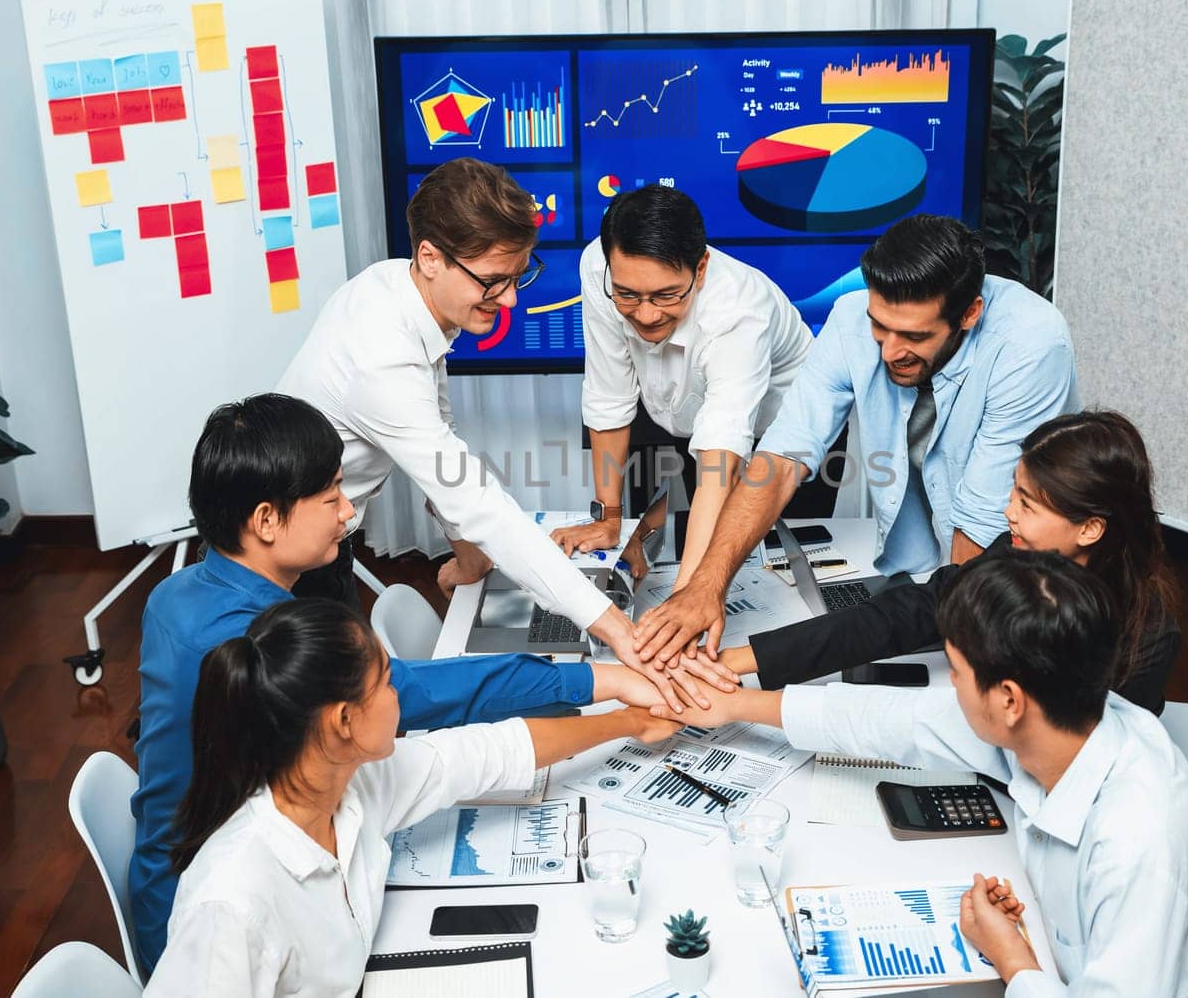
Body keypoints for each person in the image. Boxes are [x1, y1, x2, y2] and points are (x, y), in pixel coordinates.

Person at [130, 394, 670, 972]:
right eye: (331, 496)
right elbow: (421, 696)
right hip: (213, 940)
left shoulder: (176, 593)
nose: (349, 513)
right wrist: (596, 679)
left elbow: (468, 752)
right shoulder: (265, 648)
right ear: (266, 519)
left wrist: (619, 706)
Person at [650, 551, 1188, 996]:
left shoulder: (1143, 846)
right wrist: (729, 705)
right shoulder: (1072, 715)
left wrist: (1013, 958)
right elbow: (897, 719)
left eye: (957, 673)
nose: (949, 686)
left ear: (1010, 700)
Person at [276, 159, 710, 704]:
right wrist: (618, 630)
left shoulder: (398, 286)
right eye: (492, 281)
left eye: (518, 276)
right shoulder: (381, 353)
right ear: (430, 257)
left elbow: (441, 443)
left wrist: (471, 557)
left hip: (320, 543)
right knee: (323, 725)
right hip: (282, 567)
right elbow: (476, 501)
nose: (509, 300)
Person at [145, 599, 682, 995]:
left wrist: (627, 721)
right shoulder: (230, 901)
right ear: (344, 720)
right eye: (386, 682)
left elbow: (486, 752)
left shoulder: (349, 784)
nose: (399, 694)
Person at [636, 214, 1077, 662]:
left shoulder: (1031, 346)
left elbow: (978, 533)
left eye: (913, 336)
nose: (888, 352)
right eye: (880, 326)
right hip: (916, 576)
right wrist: (704, 587)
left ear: (969, 315)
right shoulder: (849, 318)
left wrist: (946, 637)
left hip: (1009, 591)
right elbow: (780, 459)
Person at [711, 411, 1182, 713]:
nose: (1008, 513)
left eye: (1028, 505)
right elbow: (903, 615)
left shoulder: (1148, 634)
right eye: (1013, 493)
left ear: (1090, 528)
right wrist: (734, 662)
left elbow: (1091, 757)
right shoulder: (1015, 555)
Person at [547, 185, 814, 587]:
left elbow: (721, 453)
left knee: (779, 568)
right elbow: (610, 396)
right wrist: (609, 521)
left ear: (700, 269)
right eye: (628, 295)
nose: (647, 314)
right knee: (706, 550)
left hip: (784, 427)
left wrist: (689, 597)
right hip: (688, 407)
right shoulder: (598, 267)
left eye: (666, 295)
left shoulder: (739, 312)